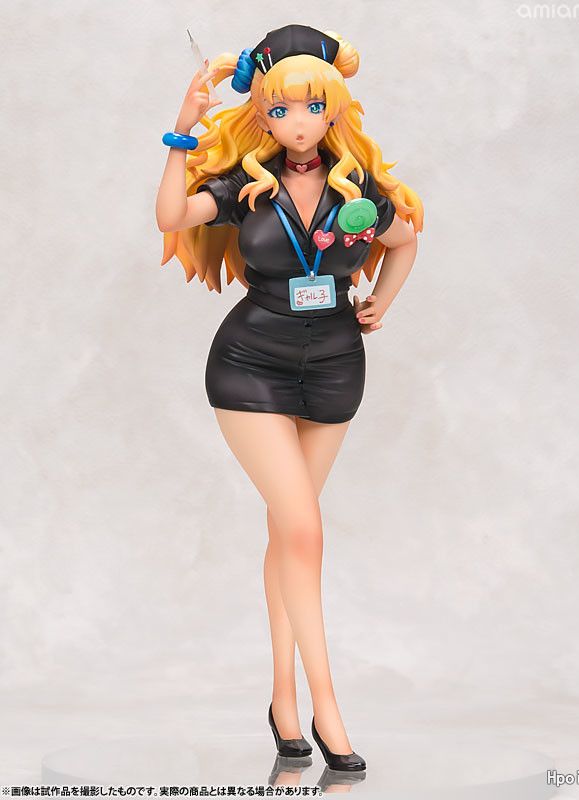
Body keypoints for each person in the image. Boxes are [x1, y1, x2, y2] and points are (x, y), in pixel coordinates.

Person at [156, 24, 423, 772]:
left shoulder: (359, 189)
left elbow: (405, 240)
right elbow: (171, 218)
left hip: (335, 363)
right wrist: (182, 131)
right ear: (262, 115)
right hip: (251, 363)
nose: (297, 123)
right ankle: (326, 707)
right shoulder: (243, 186)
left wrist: (381, 303)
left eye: (311, 107)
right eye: (279, 109)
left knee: (288, 531)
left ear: (334, 109)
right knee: (304, 531)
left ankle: (281, 701)